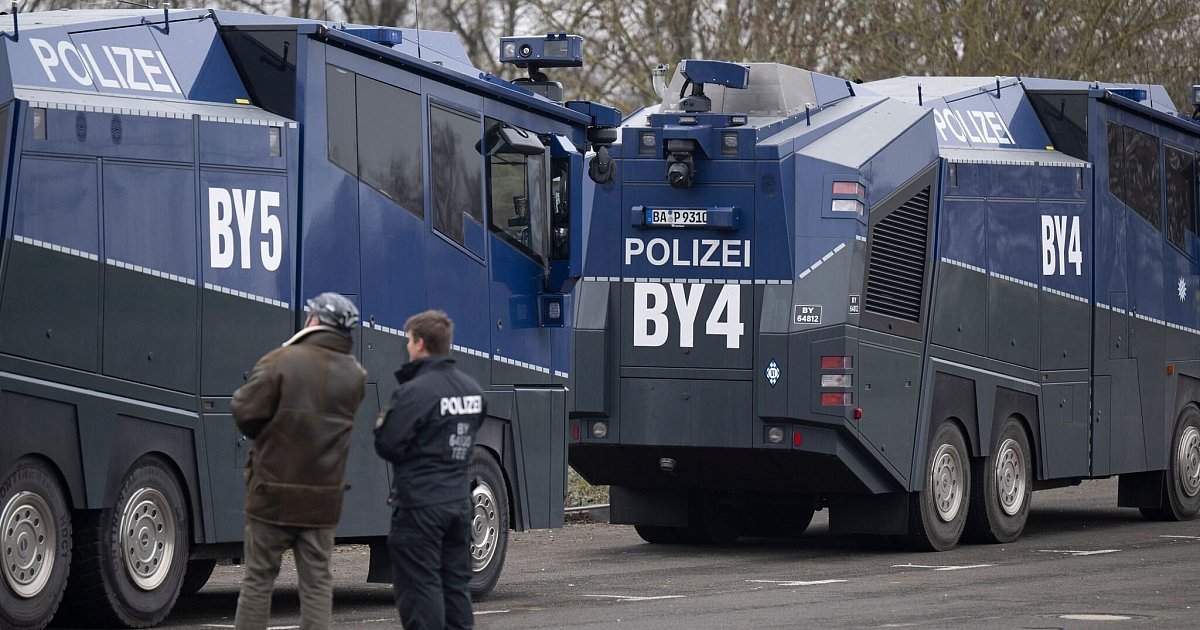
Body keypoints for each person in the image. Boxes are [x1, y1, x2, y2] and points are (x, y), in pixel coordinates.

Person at [232, 293, 367, 630]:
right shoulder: (355, 376)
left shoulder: (280, 361)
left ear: (316, 321)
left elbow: (244, 411)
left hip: (271, 494)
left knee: (258, 580)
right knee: (318, 583)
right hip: (321, 499)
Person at [374, 310, 485, 630]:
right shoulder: (471, 390)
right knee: (455, 587)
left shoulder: (415, 392)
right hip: (459, 504)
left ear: (420, 344)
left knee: (420, 590)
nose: (407, 347)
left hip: (420, 506)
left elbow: (389, 444)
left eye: (408, 340)